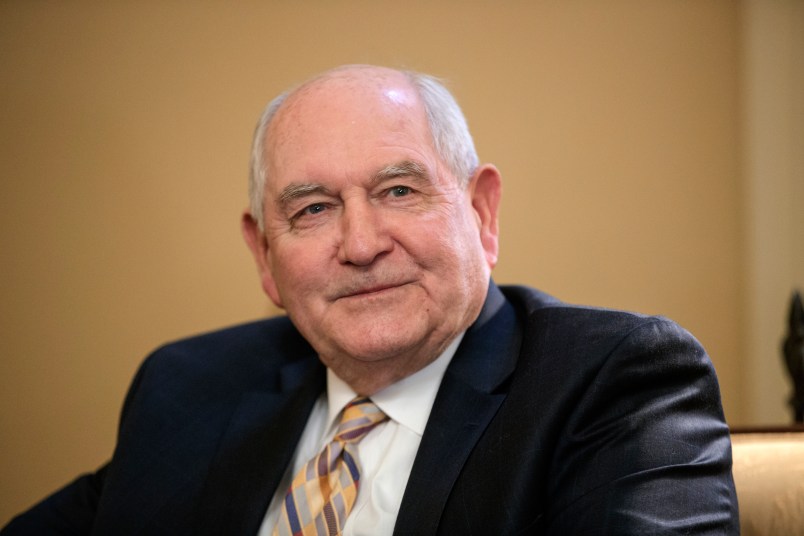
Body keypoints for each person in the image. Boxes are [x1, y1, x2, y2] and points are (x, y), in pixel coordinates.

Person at [3, 64, 739, 535]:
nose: (361, 244)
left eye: (398, 191)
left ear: (482, 215)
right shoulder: (188, 385)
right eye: (314, 209)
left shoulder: (613, 384)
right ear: (264, 255)